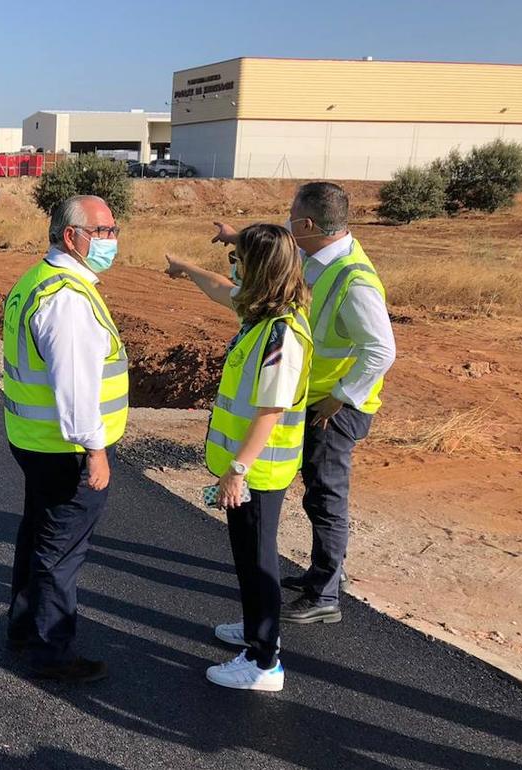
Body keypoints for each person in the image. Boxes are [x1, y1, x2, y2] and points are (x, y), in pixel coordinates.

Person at [210, 183, 395, 624]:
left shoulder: (354, 279)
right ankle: (321, 573)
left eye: (292, 215)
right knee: (316, 490)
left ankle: (325, 592)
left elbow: (382, 350)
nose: (289, 222)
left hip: (334, 408)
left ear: (308, 224)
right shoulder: (317, 259)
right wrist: (239, 240)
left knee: (326, 496)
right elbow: (278, 254)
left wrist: (341, 397)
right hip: (309, 398)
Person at [165, 224, 313, 691]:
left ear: (259, 270)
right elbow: (219, 289)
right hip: (254, 468)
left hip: (259, 470)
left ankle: (264, 661)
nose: (234, 266)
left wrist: (237, 470)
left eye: (240, 259)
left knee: (258, 561)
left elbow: (271, 410)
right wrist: (184, 268)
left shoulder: (279, 336)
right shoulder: (262, 315)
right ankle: (255, 630)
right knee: (248, 557)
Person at [1, 194, 128, 684]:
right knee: (61, 549)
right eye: (102, 232)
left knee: (37, 533)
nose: (112, 241)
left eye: (114, 229)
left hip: (36, 439)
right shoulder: (68, 300)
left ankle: (23, 626)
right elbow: (75, 387)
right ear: (72, 236)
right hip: (66, 447)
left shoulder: (39, 279)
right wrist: (95, 451)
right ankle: (51, 651)